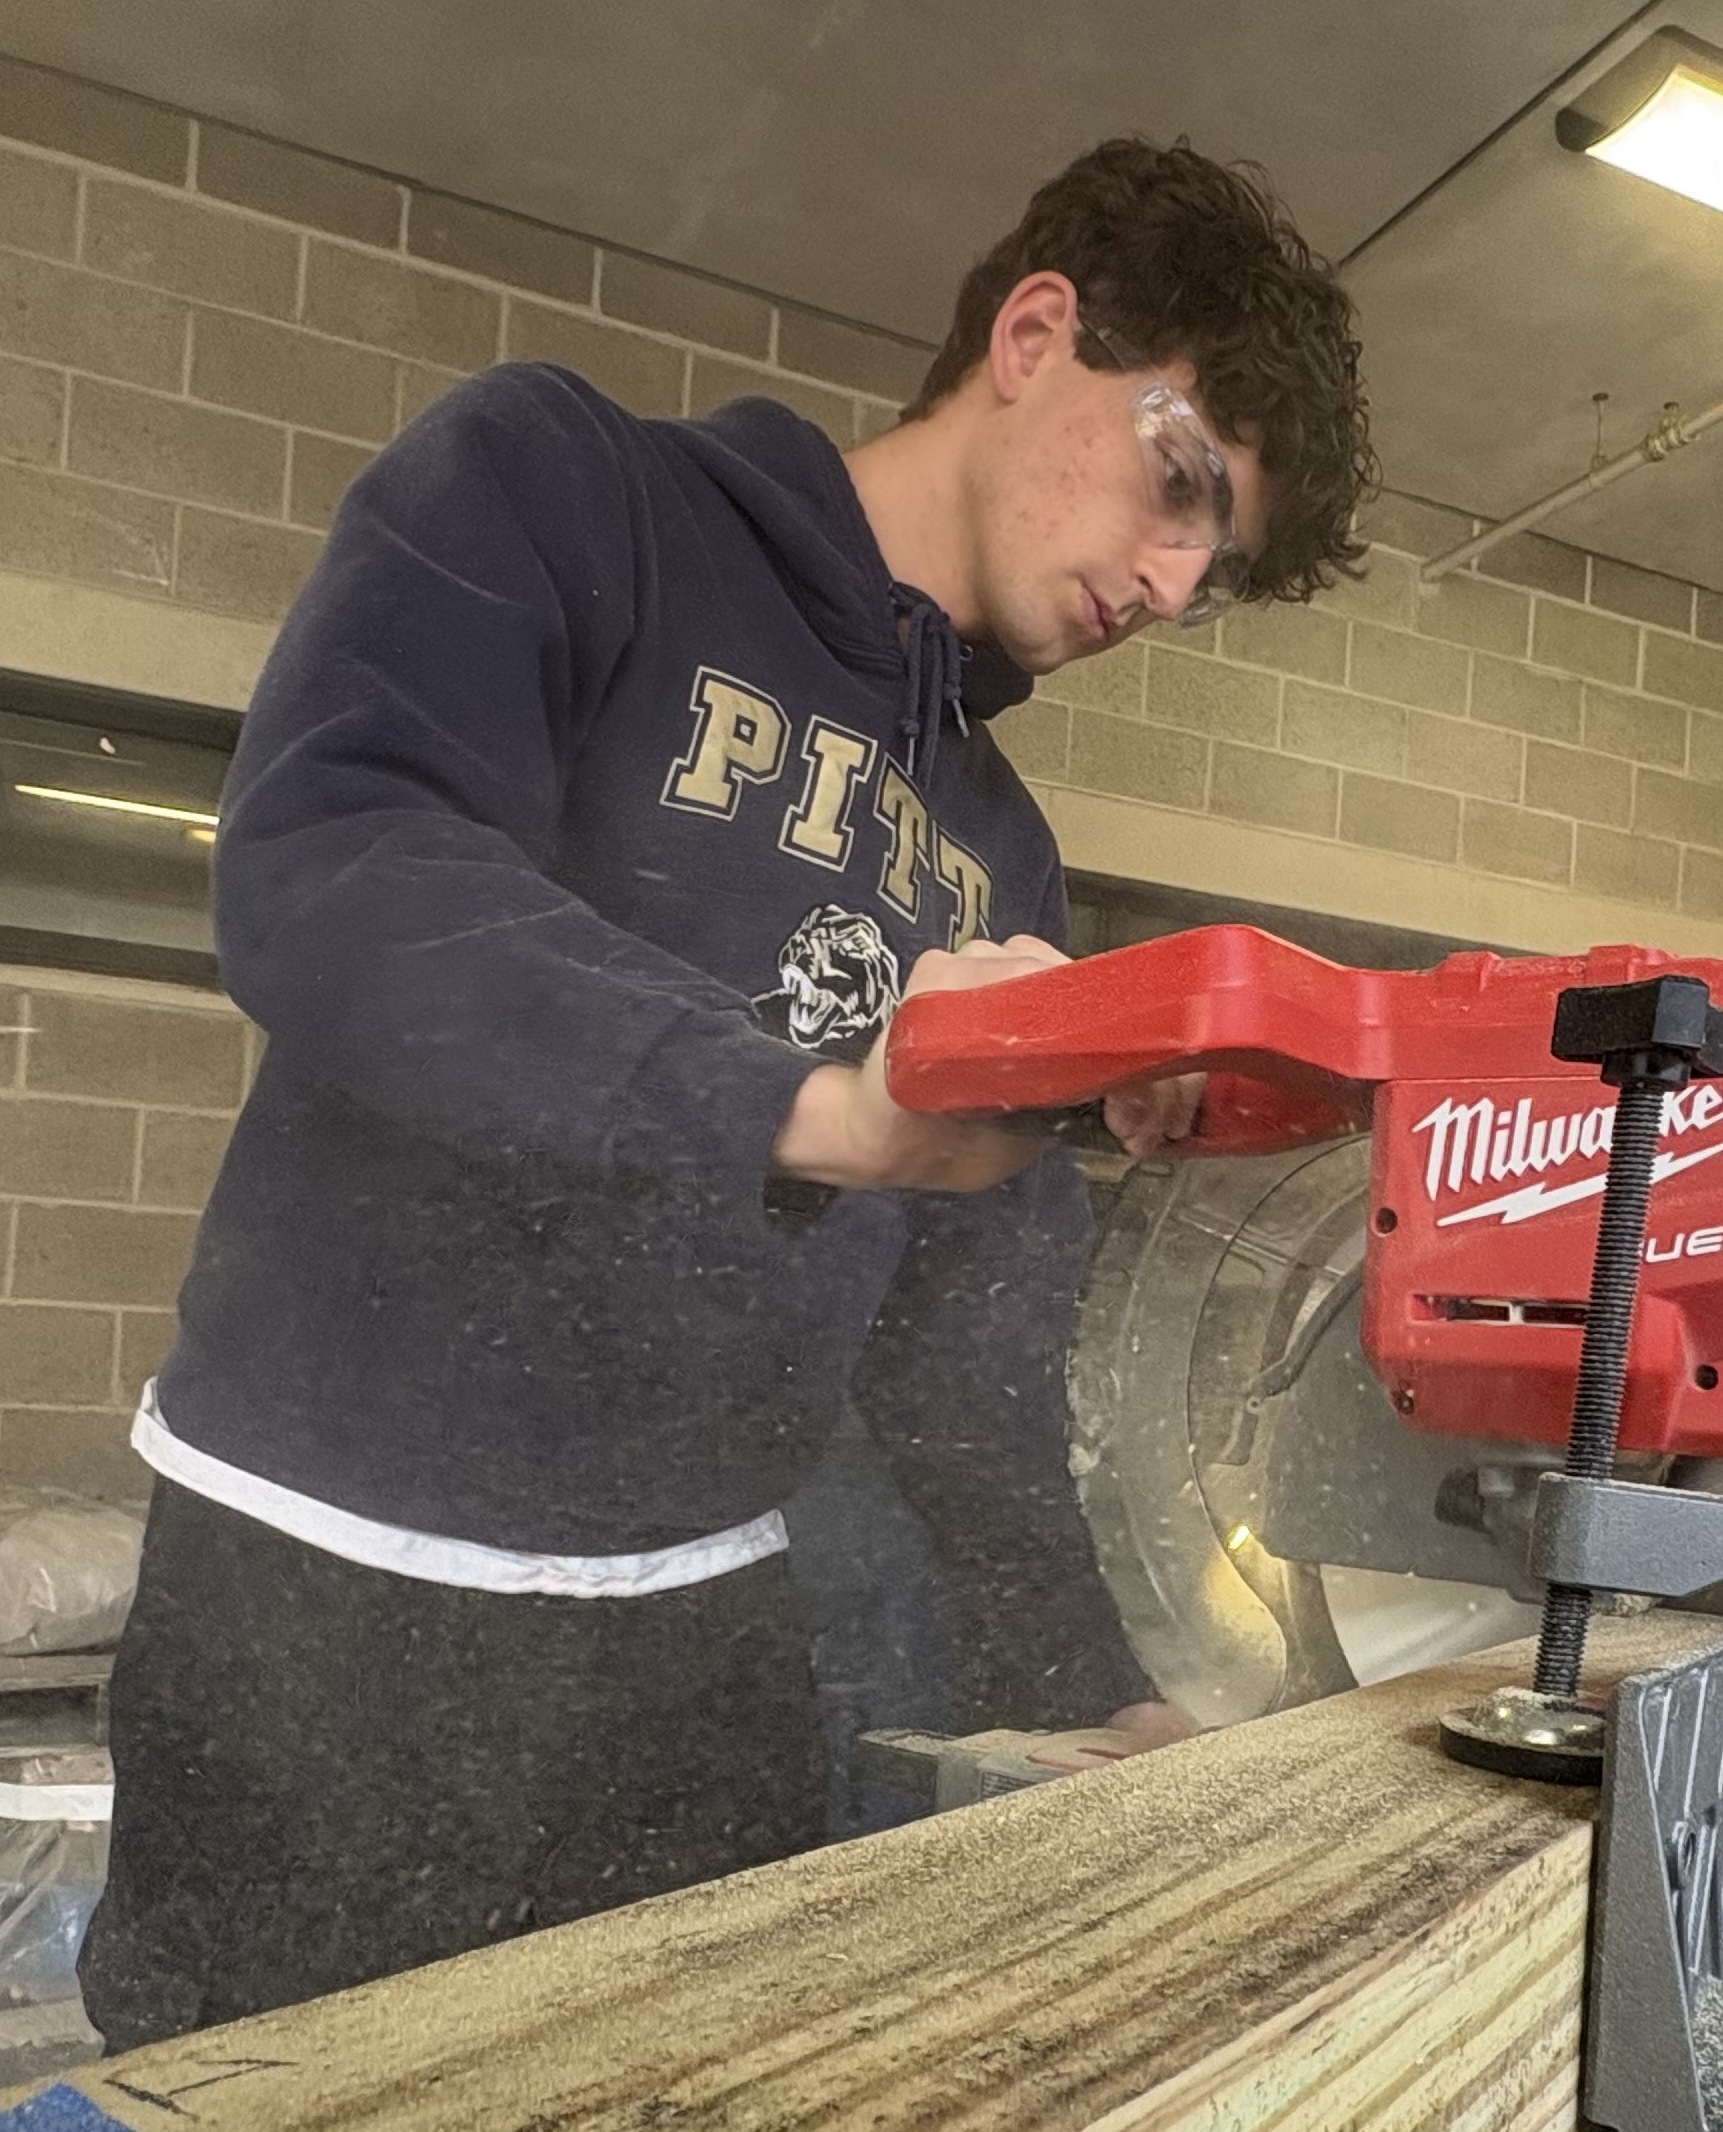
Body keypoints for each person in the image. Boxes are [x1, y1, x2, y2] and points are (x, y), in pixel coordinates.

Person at [76, 138, 1376, 2047]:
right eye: (1180, 484)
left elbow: (969, 1329)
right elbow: (339, 866)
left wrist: (1101, 1675)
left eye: (1221, 561)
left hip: (700, 1623)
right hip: (330, 1578)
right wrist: (807, 1106)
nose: (1174, 582)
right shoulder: (567, 486)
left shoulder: (1000, 851)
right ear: (1036, 335)